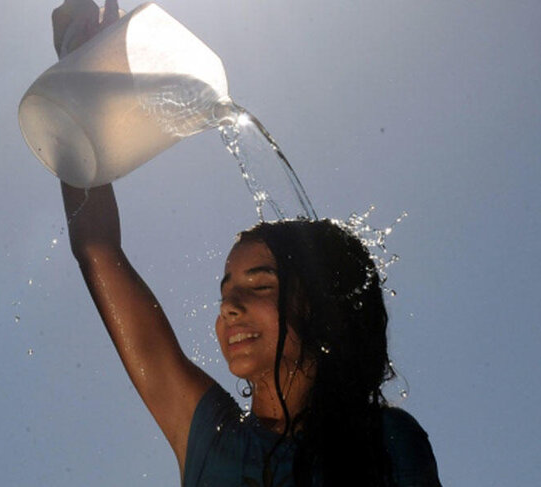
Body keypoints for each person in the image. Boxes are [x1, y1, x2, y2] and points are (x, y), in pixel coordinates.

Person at [51, 1, 442, 485]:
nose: (229, 308)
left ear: (320, 304)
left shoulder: (388, 440)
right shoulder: (211, 436)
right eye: (226, 290)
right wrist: (81, 76)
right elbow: (97, 248)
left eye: (260, 286)